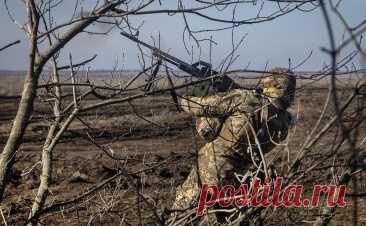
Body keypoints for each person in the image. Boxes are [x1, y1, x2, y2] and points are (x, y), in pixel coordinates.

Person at [169, 67, 296, 225]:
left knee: (182, 216)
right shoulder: (285, 121)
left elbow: (199, 106)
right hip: (237, 178)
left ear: (269, 83)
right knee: (232, 221)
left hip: (210, 169)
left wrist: (180, 98)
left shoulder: (246, 99)